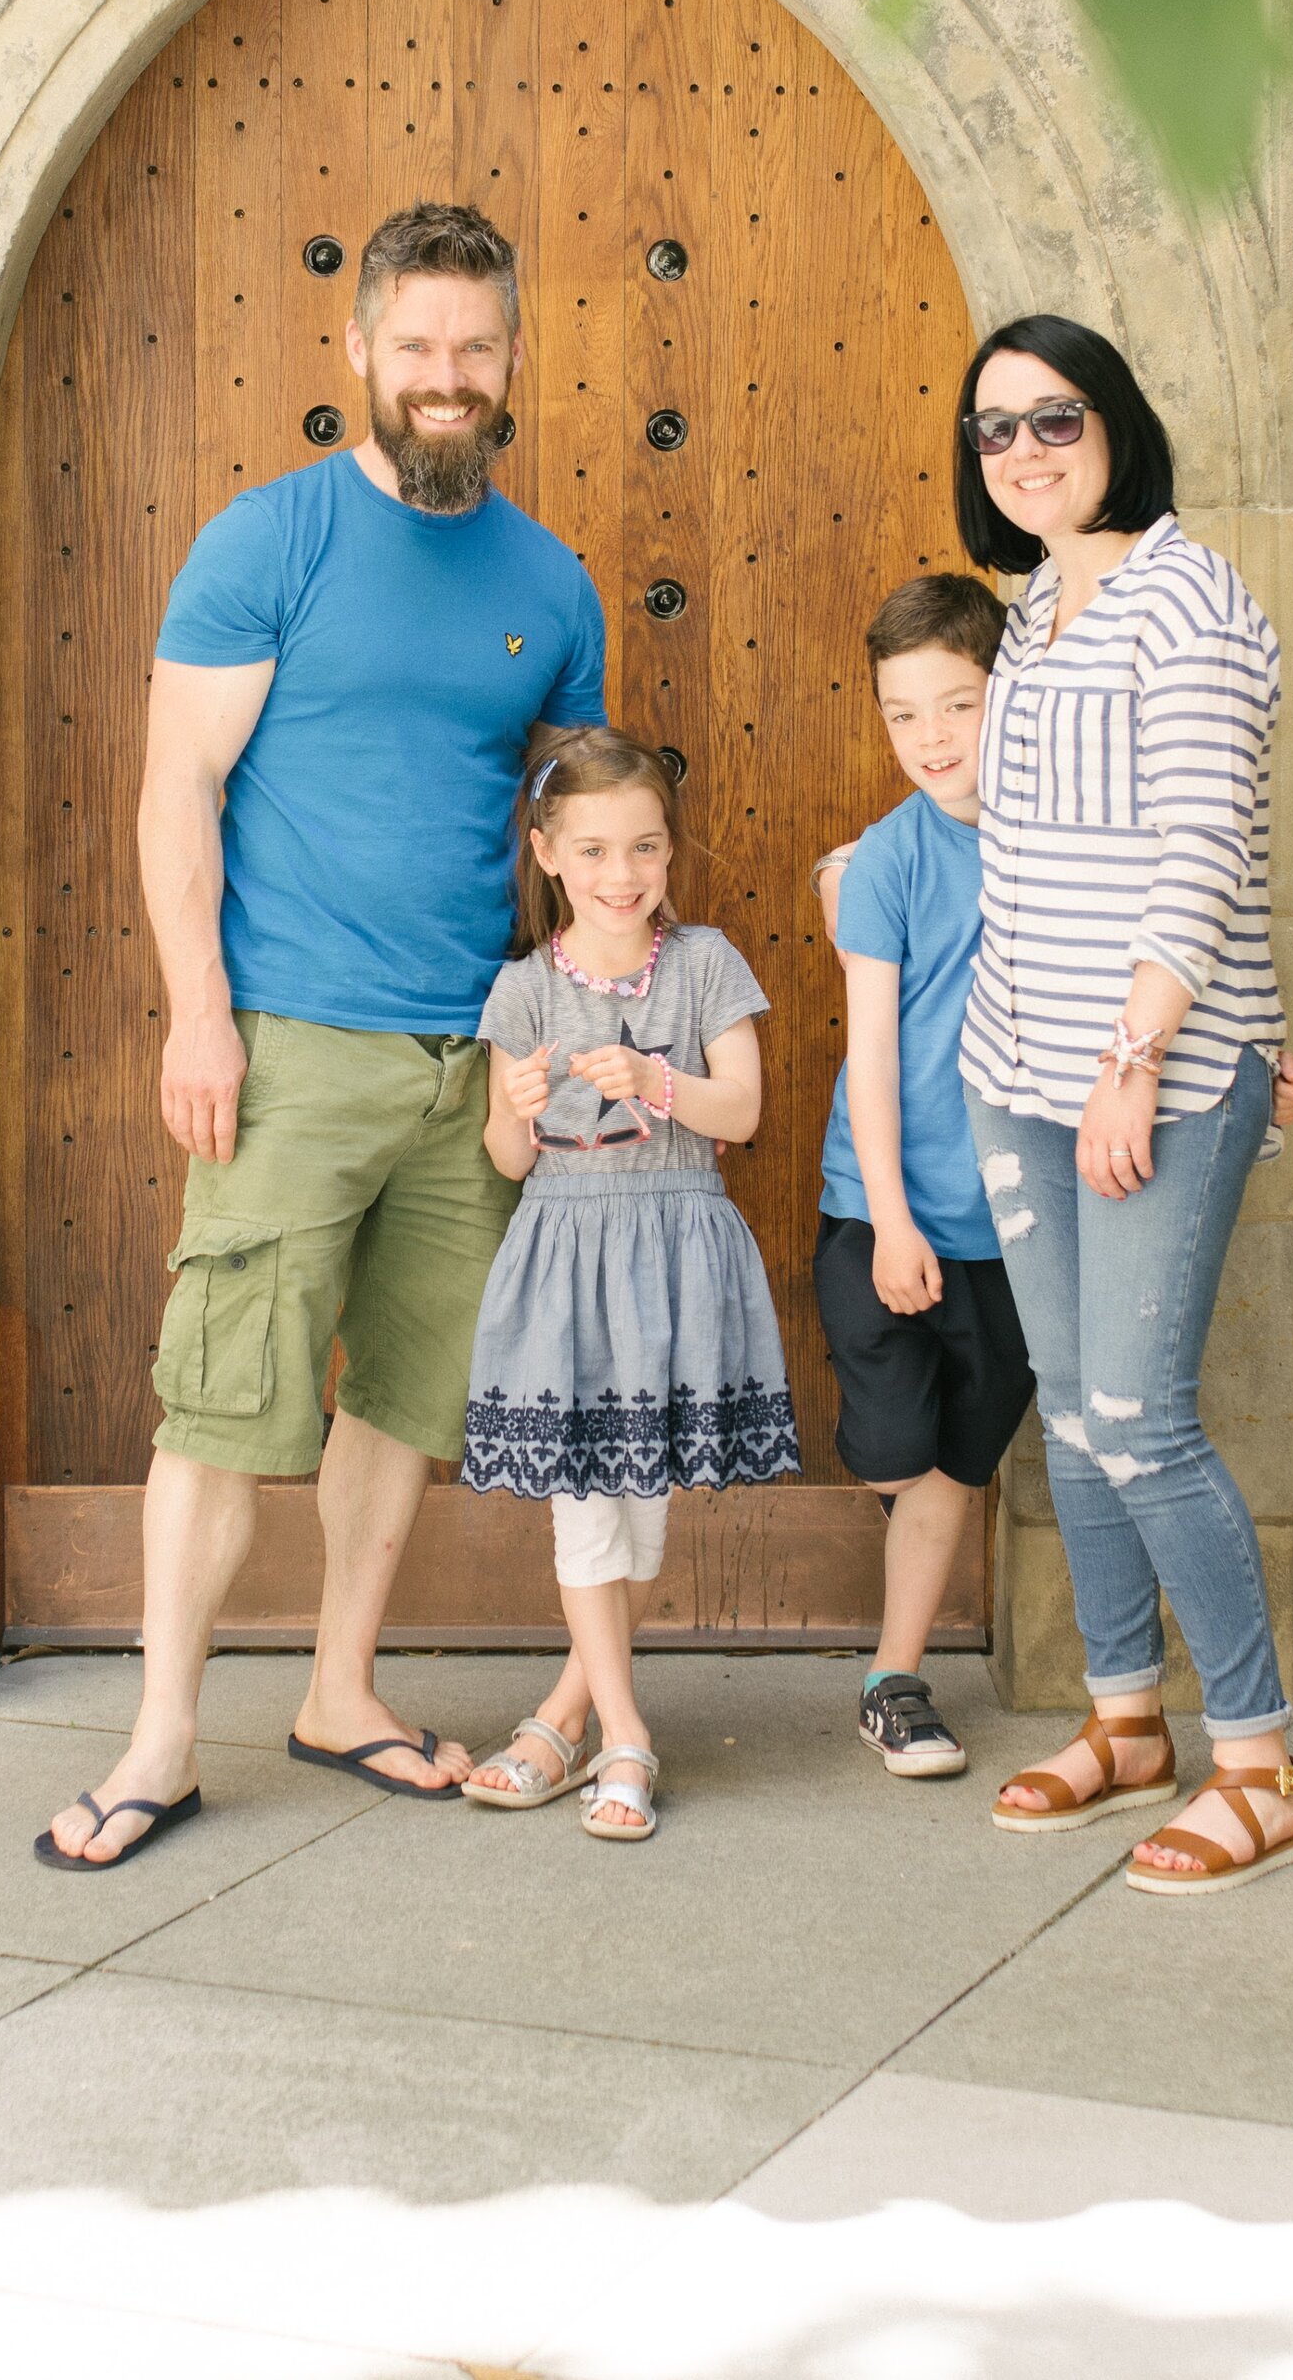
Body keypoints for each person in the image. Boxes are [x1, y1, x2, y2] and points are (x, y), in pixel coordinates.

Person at [36, 201, 606, 1871]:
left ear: (512, 364)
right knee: (222, 1402)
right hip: (292, 1046)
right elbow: (176, 793)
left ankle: (342, 1690)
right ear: (358, 349)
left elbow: (571, 842)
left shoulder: (551, 579)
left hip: (470, 1066)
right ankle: (159, 1742)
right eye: (415, 346)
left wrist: (548, 1043)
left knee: (406, 1405)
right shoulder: (267, 542)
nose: (445, 376)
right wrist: (199, 1020)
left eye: (474, 349)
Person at [954, 312, 1293, 1895]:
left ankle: (1260, 1759)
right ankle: (1126, 1721)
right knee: (1076, 1410)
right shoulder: (1034, 610)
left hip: (1144, 1076)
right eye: (995, 430)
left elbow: (1196, 850)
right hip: (1016, 1066)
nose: (1026, 450)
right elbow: (1035, 841)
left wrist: (1141, 1064)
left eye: (1056, 419)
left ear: (1118, 425)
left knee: (1142, 1418)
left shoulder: (1194, 602)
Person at [457, 727, 799, 1842]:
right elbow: (510, 1164)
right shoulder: (519, 990)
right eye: (595, 851)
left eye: (644, 849)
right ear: (547, 853)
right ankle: (624, 1742)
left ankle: (563, 1718)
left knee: (637, 1516)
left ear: (668, 853)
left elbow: (740, 1114)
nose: (621, 876)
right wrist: (512, 1107)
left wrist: (657, 1076)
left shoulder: (704, 965)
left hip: (674, 1244)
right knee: (583, 1518)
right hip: (565, 1255)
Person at [808, 572, 1033, 1784]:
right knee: (898, 1453)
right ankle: (901, 1620)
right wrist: (892, 1222)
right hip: (886, 1213)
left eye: (959, 705)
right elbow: (874, 1053)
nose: (933, 740)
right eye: (905, 715)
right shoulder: (888, 860)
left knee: (958, 1465)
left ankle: (893, 1682)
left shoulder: (1058, 838)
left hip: (1020, 1227)